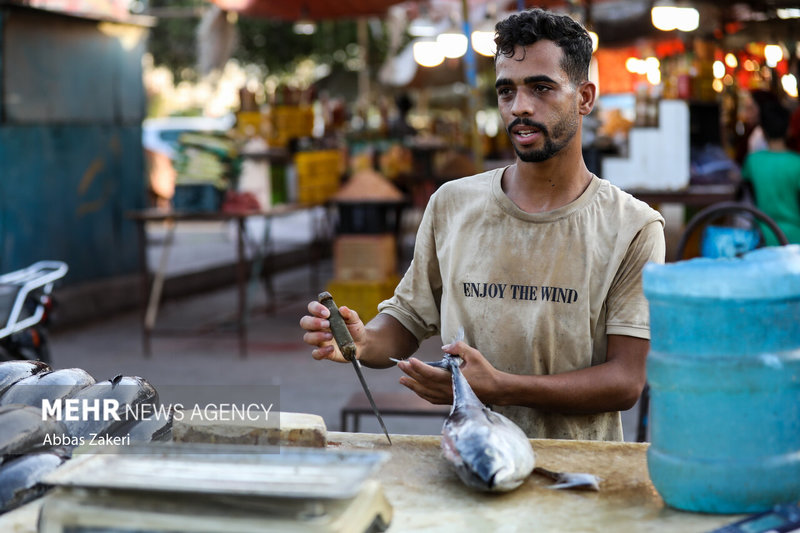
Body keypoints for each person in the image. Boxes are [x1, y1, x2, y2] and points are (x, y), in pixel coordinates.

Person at [300, 8, 666, 441]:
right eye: (506, 91)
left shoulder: (633, 227)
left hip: (577, 478)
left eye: (541, 88)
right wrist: (362, 342)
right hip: (471, 462)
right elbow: (405, 321)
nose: (520, 107)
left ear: (584, 97)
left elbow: (625, 381)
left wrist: (501, 388)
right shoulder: (452, 205)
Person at [741, 100, 800, 245]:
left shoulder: (753, 161)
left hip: (764, 236)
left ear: (764, 131)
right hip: (795, 237)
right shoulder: (796, 162)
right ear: (788, 130)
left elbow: (745, 191)